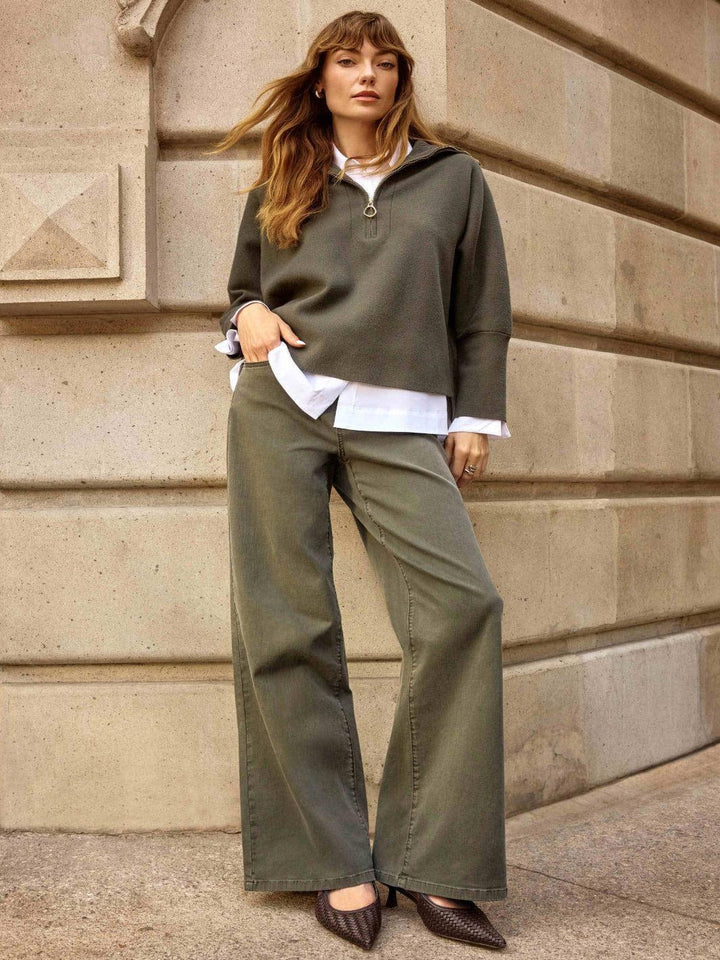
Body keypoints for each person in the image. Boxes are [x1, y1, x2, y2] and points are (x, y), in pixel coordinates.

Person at [207, 10, 512, 951]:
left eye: (382, 61)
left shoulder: (453, 179)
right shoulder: (282, 177)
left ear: (400, 77)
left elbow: (482, 304)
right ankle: (329, 858)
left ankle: (432, 860)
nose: (366, 75)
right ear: (322, 79)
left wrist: (472, 414)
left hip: (401, 417)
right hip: (282, 400)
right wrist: (250, 315)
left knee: (462, 607)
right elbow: (240, 287)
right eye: (348, 61)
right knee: (287, 619)